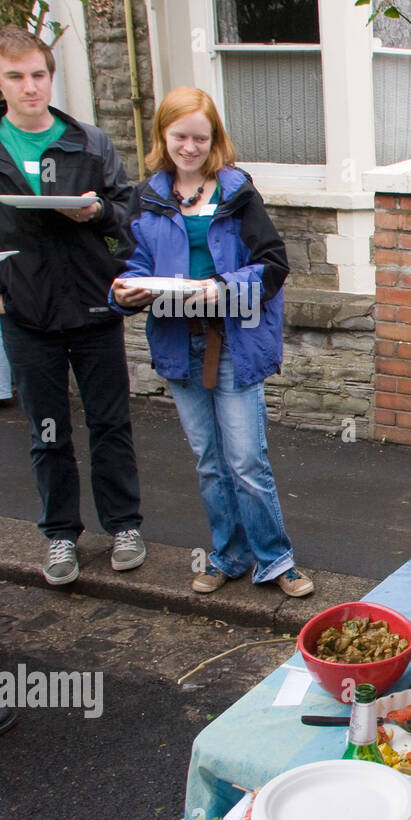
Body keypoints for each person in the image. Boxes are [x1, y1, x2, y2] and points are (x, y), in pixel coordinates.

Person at [110, 87, 312, 597]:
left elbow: (273, 266)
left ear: (214, 138)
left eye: (201, 137)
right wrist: (126, 291)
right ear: (163, 136)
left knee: (246, 459)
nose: (190, 147)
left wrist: (220, 288)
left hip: (235, 342)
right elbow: (130, 268)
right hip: (180, 343)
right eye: (180, 136)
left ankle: (275, 558)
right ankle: (229, 554)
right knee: (209, 461)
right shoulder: (146, 197)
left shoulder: (238, 191)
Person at [0, 26, 145, 586]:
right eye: (16, 76)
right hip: (26, 313)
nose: (30, 86)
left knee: (110, 423)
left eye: (38, 74)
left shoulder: (88, 142)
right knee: (48, 429)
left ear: (50, 77)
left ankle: (124, 525)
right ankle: (60, 535)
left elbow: (126, 220)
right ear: (3, 82)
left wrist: (97, 214)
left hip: (92, 307)